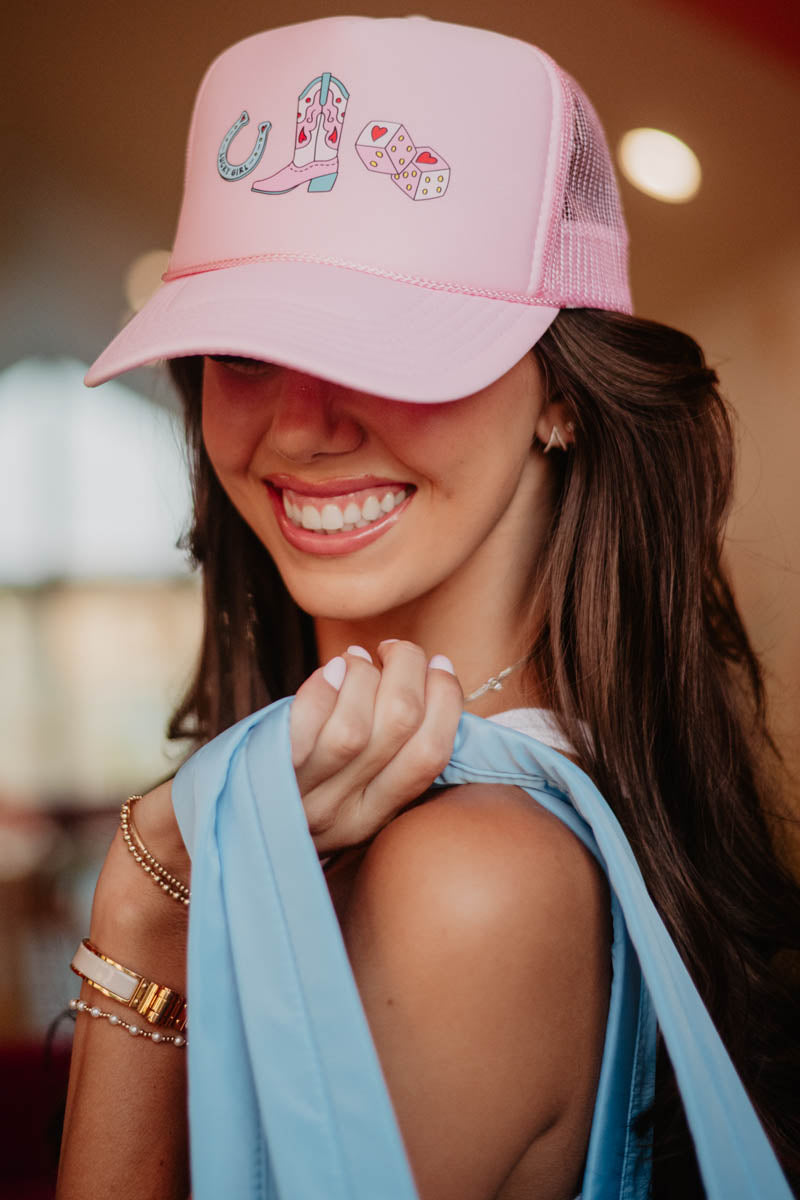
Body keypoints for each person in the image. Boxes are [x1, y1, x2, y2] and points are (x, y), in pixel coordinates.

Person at [56, 15, 800, 1200]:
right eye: (243, 351)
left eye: (385, 344)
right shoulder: (375, 814)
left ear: (562, 392)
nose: (301, 424)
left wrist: (147, 905)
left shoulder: (468, 884)